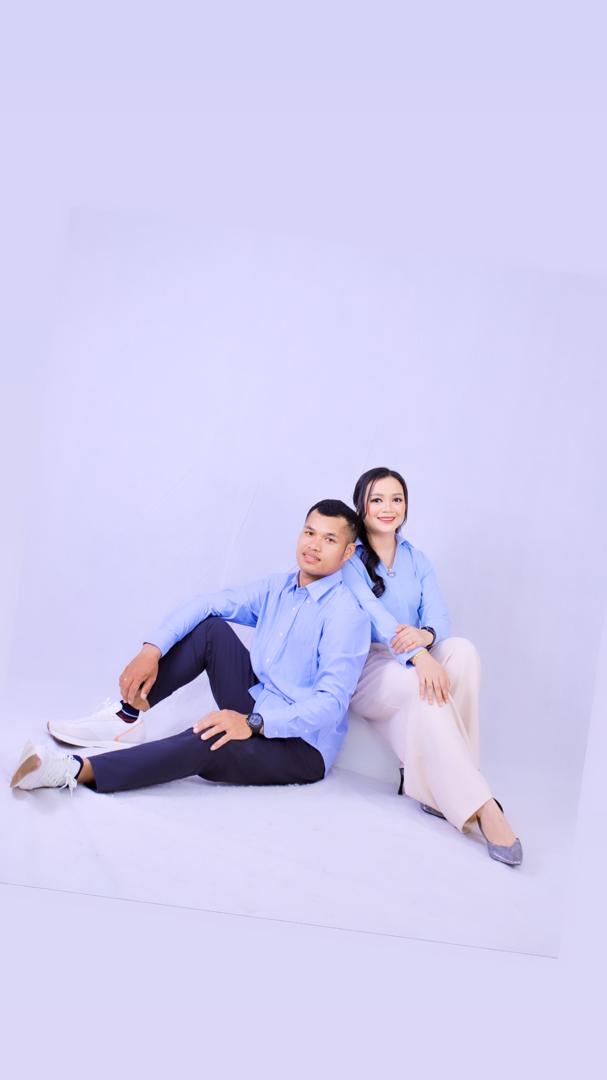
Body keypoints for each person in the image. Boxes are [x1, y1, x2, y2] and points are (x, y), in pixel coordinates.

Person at [10, 500, 371, 797]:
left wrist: (252, 723)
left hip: (300, 747)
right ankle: (125, 719)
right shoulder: (279, 588)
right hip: (259, 702)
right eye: (309, 532)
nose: (313, 545)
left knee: (207, 735)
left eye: (328, 539)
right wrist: (152, 649)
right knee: (211, 629)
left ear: (347, 552)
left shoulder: (346, 615)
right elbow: (208, 603)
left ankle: (74, 770)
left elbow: (330, 705)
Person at [341, 467, 523, 867]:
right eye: (377, 499)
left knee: (463, 652)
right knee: (420, 683)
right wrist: (419, 657)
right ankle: (484, 806)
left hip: (413, 650)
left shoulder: (416, 558)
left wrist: (426, 636)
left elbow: (439, 615)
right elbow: (373, 616)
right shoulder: (351, 558)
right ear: (361, 505)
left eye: (397, 499)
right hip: (370, 664)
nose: (388, 508)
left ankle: (446, 788)